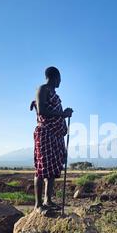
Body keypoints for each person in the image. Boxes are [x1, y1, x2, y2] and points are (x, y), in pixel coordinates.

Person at [30, 67, 73, 214]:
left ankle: (47, 200)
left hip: (56, 136)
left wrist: (63, 116)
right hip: (45, 133)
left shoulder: (55, 95)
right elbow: (42, 110)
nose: (60, 81)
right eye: (60, 78)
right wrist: (62, 114)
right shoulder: (42, 89)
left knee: (52, 170)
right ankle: (38, 205)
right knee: (41, 169)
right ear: (54, 77)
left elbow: (54, 112)